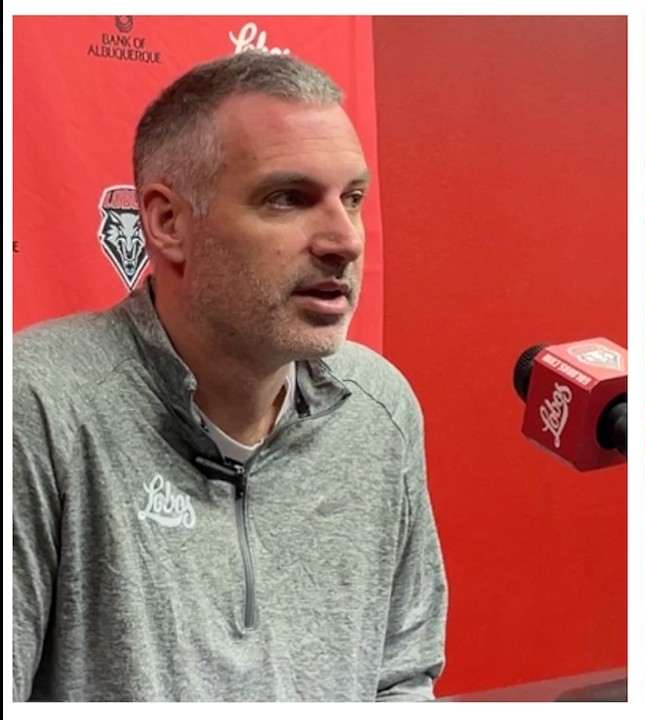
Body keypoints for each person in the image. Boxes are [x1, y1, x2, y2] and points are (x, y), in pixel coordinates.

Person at [12, 51, 447, 701]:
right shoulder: (36, 405)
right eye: (288, 199)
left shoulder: (378, 408)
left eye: (352, 198)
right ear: (167, 223)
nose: (344, 239)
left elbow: (401, 677)